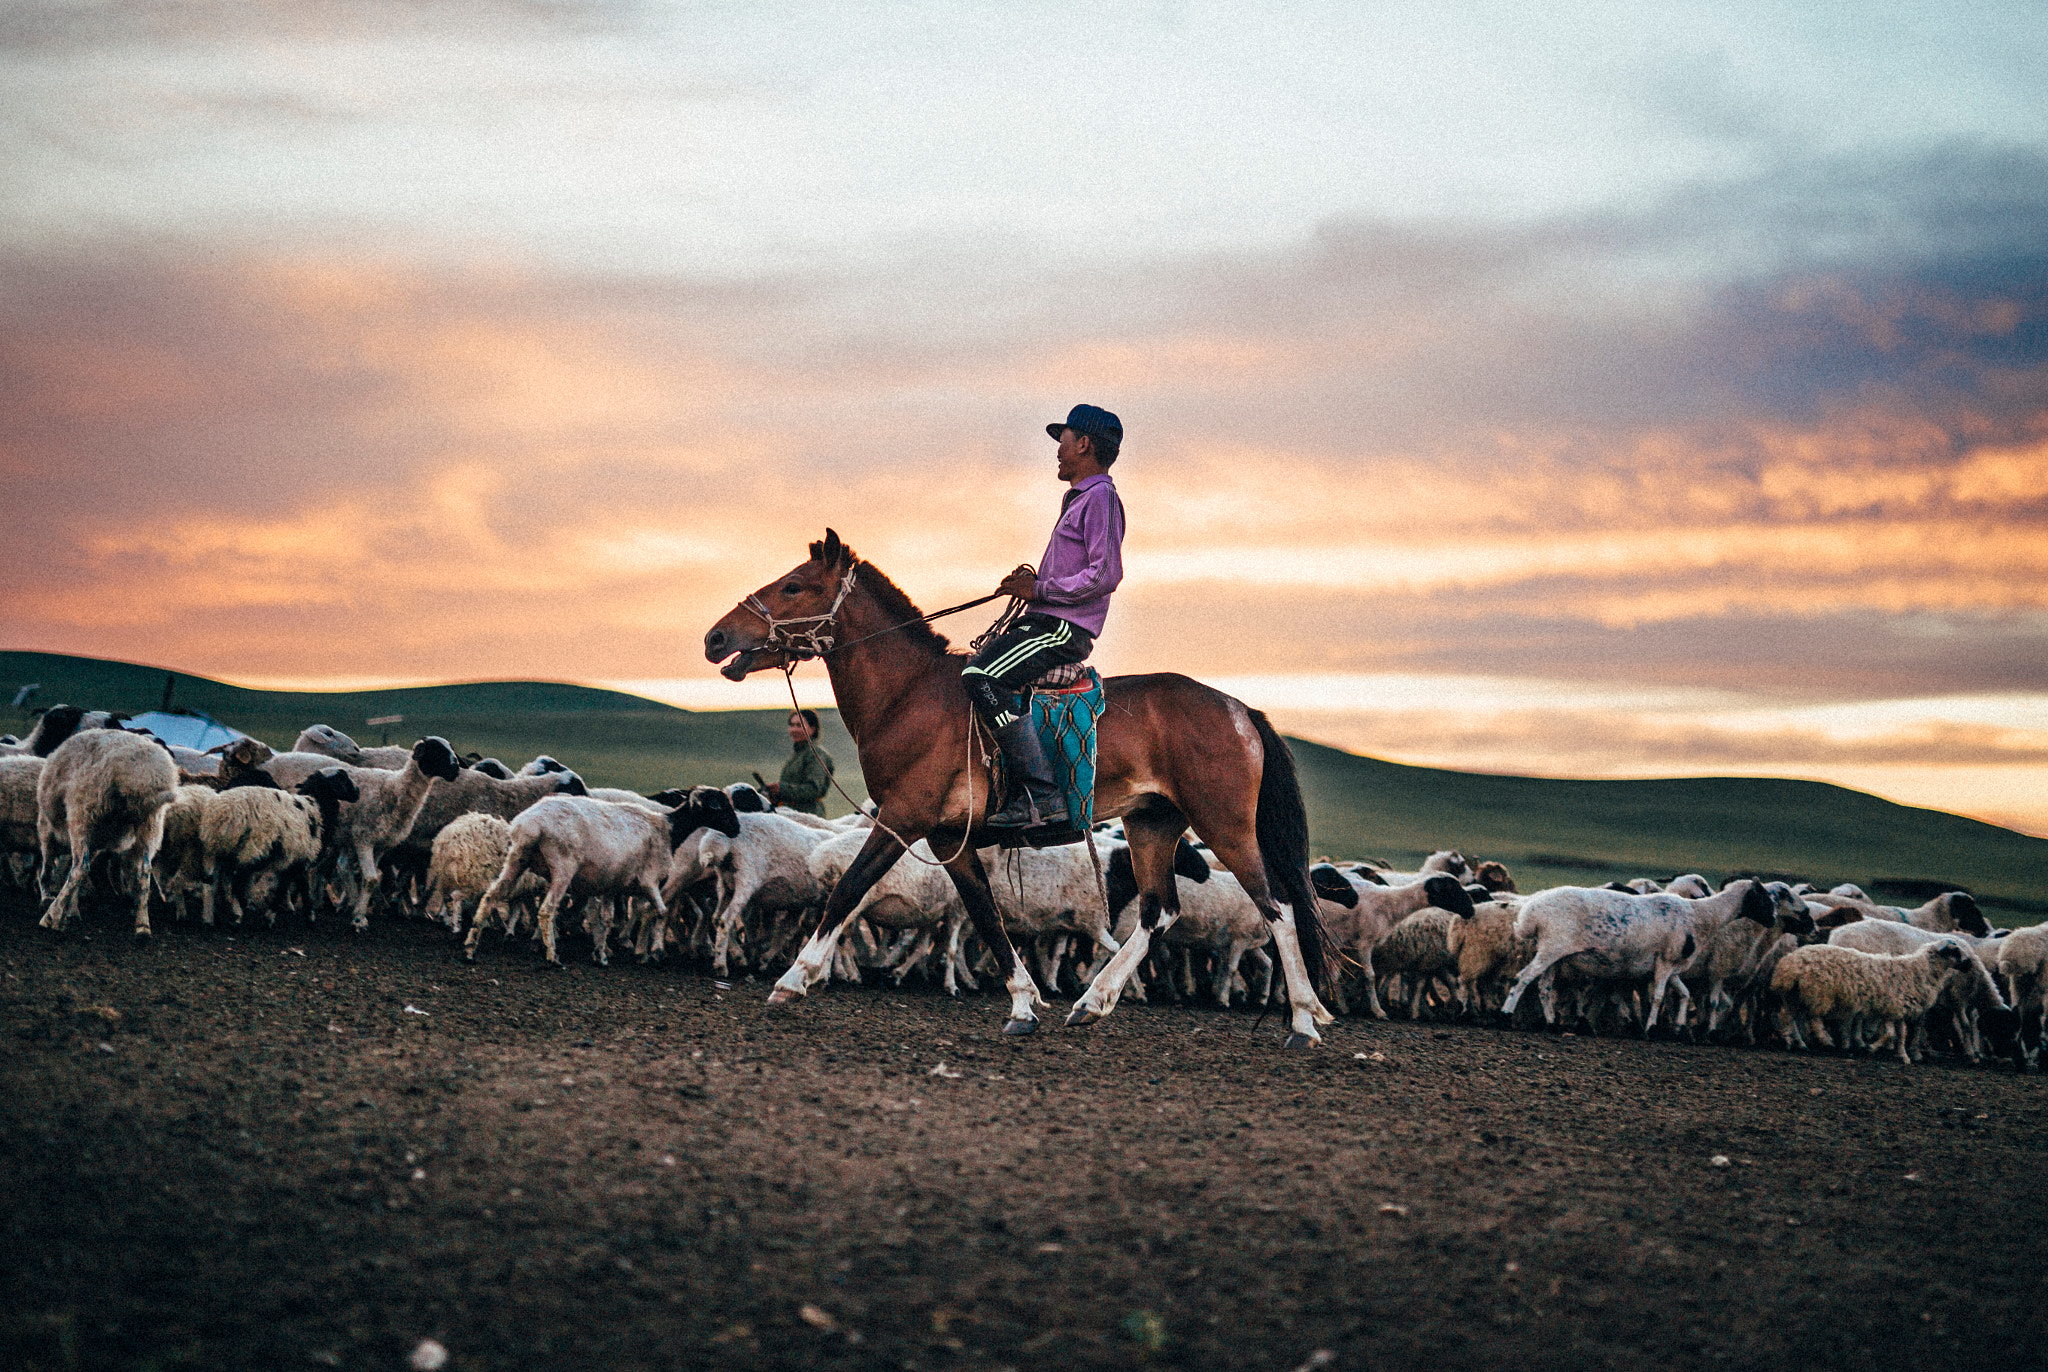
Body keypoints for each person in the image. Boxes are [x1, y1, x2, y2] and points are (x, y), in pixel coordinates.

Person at [962, 403, 1126, 838]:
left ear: (1085, 444)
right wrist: (1035, 584)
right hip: (1047, 620)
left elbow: (1105, 573)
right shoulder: (1080, 500)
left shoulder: (1101, 498)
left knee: (979, 675)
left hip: (1060, 629)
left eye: (1064, 439)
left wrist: (1041, 592)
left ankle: (1042, 792)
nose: (1058, 449)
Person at [766, 708, 835, 816]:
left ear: (812, 729)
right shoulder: (797, 754)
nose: (794, 729)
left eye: (799, 725)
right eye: (792, 725)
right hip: (791, 813)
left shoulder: (817, 754)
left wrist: (782, 789)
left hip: (809, 816)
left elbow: (814, 789)